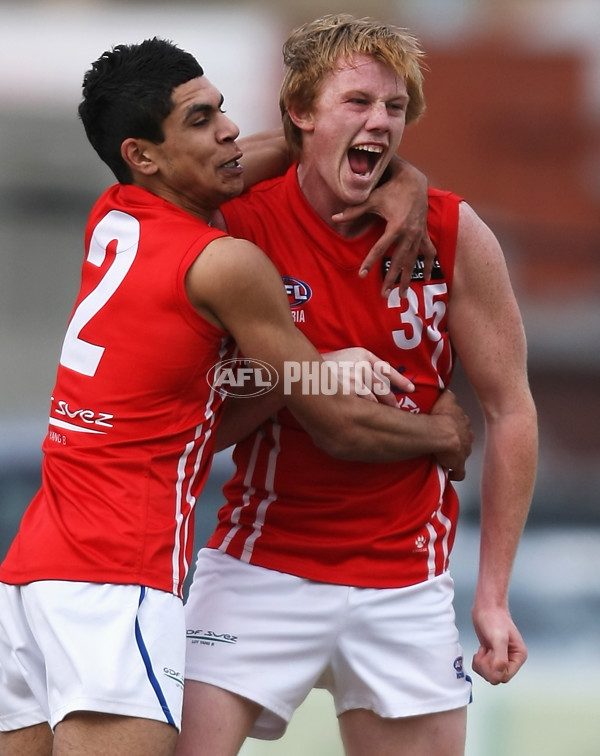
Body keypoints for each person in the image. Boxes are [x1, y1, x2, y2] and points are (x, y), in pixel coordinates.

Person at [0, 37, 474, 756]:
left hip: (32, 575)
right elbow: (334, 417)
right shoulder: (226, 263)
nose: (227, 130)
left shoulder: (115, 215)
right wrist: (442, 435)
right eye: (200, 120)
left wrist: (401, 177)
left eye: (221, 109)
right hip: (117, 577)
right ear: (143, 154)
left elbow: (279, 153)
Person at [177, 14, 538, 756]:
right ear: (302, 113)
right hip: (260, 561)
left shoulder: (450, 232)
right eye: (357, 102)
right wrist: (304, 369)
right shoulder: (237, 229)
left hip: (406, 579)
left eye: (395, 108)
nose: (380, 121)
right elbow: (202, 420)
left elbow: (510, 411)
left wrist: (493, 595)